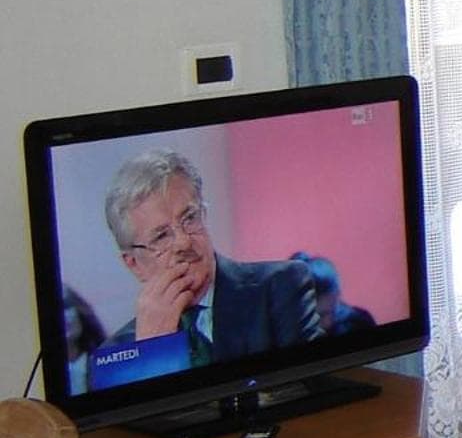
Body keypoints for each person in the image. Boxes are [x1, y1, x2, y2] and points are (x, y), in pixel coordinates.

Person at [103, 149, 323, 362]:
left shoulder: (279, 288)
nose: (183, 242)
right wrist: (152, 353)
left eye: (189, 218)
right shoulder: (114, 356)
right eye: (161, 236)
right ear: (134, 264)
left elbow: (310, 379)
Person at [290, 251, 377, 336]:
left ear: (338, 295)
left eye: (333, 311)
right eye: (318, 317)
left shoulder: (358, 323)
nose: (328, 323)